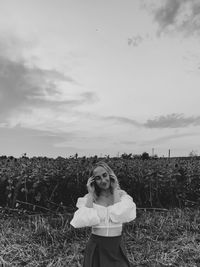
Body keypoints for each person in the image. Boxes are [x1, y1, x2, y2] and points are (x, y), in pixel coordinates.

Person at [70, 161, 136, 267]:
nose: (103, 180)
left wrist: (115, 189)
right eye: (98, 178)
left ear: (110, 175)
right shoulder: (90, 198)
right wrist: (91, 193)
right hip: (96, 247)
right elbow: (83, 220)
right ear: (93, 181)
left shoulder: (121, 195)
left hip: (116, 247)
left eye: (105, 175)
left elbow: (120, 215)